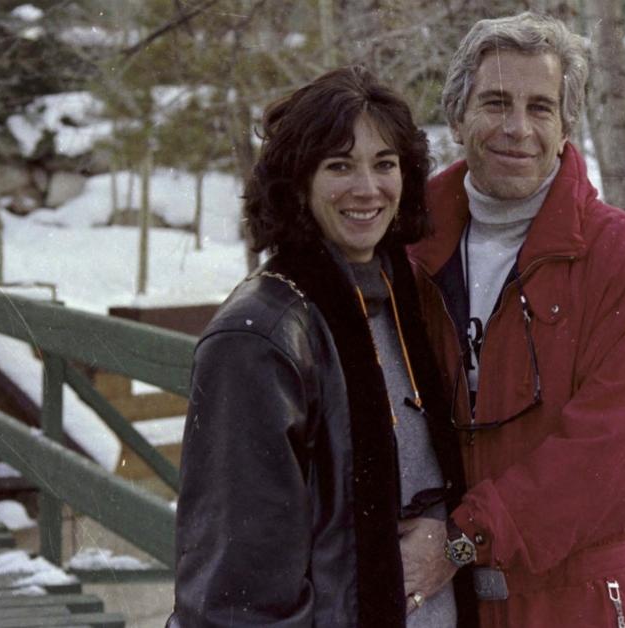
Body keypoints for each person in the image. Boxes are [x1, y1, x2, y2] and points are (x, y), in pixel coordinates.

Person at [401, 13, 625, 627]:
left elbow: (619, 451)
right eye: (495, 102)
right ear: (458, 118)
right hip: (442, 604)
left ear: (567, 127)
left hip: (579, 602)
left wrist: (466, 537)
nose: (517, 128)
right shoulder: (408, 247)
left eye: (541, 107)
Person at [169, 66, 477, 628]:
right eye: (339, 166)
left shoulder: (401, 299)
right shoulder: (258, 337)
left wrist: (450, 540)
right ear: (298, 182)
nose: (367, 188)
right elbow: (236, 594)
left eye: (384, 164)